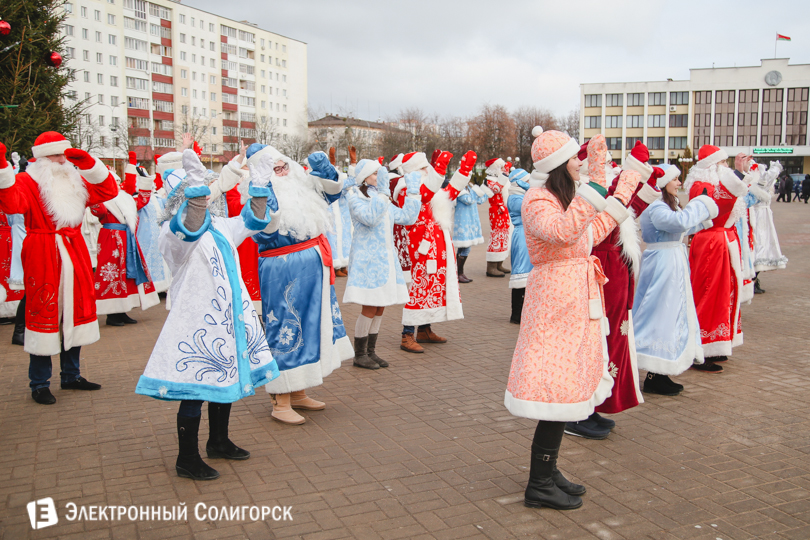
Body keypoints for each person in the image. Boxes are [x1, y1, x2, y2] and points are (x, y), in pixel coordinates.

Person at [505, 129, 641, 510]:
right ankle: (539, 482)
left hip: (574, 298)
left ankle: (547, 473)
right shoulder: (536, 200)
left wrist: (621, 193)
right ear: (558, 165)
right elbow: (563, 232)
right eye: (574, 157)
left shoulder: (561, 196)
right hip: (555, 302)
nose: (580, 161)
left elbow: (588, 232)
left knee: (568, 385)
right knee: (556, 387)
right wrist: (597, 184)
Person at [135, 148, 279, 481]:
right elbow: (189, 227)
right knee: (196, 388)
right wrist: (196, 193)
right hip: (196, 322)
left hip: (227, 320)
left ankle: (218, 441)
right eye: (198, 195)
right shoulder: (172, 234)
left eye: (206, 194)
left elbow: (253, 221)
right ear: (181, 200)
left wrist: (260, 185)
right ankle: (186, 457)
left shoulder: (221, 227)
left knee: (223, 379)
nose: (208, 198)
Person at [0, 132, 119, 404]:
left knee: (74, 311)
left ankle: (71, 375)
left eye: (64, 155)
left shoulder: (75, 180)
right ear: (42, 158)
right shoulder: (27, 181)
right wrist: (2, 171)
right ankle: (39, 383)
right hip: (43, 250)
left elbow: (109, 191)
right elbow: (11, 204)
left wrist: (89, 164)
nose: (62, 160)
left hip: (74, 250)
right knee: (44, 311)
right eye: (55, 155)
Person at [566, 141, 662, 439]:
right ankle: (578, 411)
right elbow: (608, 212)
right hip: (599, 267)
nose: (609, 161)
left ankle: (595, 404)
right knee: (595, 339)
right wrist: (633, 173)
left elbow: (628, 210)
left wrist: (638, 179)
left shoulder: (601, 185)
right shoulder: (582, 190)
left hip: (614, 266)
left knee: (612, 340)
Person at [252, 146, 353, 425]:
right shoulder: (257, 192)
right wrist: (262, 189)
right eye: (273, 167)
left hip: (313, 265)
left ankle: (297, 391)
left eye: (283, 163)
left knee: (309, 328)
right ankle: (279, 399)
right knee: (285, 328)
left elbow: (333, 192)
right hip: (282, 268)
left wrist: (323, 167)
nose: (281, 169)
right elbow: (264, 230)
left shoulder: (302, 184)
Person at [632, 164, 719, 395]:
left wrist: (700, 217)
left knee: (671, 315)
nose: (679, 184)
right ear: (663, 183)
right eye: (676, 179)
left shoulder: (666, 206)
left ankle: (661, 371)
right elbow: (678, 223)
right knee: (660, 314)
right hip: (663, 263)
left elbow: (683, 225)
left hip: (672, 261)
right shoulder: (656, 207)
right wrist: (702, 205)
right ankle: (653, 372)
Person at [342, 159, 421, 369]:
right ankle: (359, 354)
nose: (380, 177)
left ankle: (371, 351)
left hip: (385, 261)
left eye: (380, 174)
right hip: (367, 261)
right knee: (369, 306)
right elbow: (370, 217)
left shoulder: (381, 198)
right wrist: (385, 192)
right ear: (364, 177)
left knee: (380, 307)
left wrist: (413, 193)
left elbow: (406, 217)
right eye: (376, 174)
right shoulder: (355, 197)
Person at [397, 150, 477, 353]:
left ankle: (424, 329)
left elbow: (449, 193)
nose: (427, 169)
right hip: (421, 245)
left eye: (428, 167)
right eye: (423, 167)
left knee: (434, 285)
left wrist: (463, 171)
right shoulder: (407, 189)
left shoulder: (426, 186)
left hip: (437, 243)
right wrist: (439, 169)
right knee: (420, 285)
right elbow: (424, 195)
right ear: (414, 170)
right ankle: (407, 335)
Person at [684, 147, 751, 372]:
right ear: (711, 166)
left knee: (724, 293)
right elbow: (715, 208)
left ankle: (717, 343)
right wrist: (737, 178)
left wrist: (741, 174)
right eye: (722, 163)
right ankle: (702, 348)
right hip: (712, 243)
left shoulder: (713, 182)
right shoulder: (700, 186)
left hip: (722, 240)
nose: (726, 167)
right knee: (709, 293)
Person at [91, 159, 159, 325]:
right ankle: (112, 313)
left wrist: (145, 180)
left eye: (118, 181)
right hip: (110, 238)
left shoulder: (125, 198)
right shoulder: (103, 198)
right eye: (113, 181)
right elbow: (97, 211)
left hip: (127, 239)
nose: (117, 184)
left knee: (126, 274)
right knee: (112, 273)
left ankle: (122, 310)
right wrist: (95, 190)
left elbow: (141, 201)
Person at [748, 161, 787, 292]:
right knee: (760, 245)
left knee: (763, 246)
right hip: (759, 217)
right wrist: (775, 168)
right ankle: (751, 281)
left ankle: (753, 280)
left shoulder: (758, 183)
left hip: (763, 216)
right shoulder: (759, 182)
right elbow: (768, 177)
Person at [506, 168, 532, 323]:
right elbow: (529, 208)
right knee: (520, 274)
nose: (529, 183)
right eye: (526, 181)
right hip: (521, 236)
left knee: (527, 275)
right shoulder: (515, 198)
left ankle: (524, 311)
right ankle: (516, 314)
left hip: (526, 235)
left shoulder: (521, 195)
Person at [452, 178, 487, 284]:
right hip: (462, 222)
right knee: (465, 248)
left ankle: (459, 273)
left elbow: (480, 200)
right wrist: (476, 190)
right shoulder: (459, 189)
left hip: (470, 221)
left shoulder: (469, 187)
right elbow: (469, 200)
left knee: (463, 249)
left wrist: (485, 189)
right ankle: (458, 273)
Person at [483, 158, 512, 277]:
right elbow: (497, 189)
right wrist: (504, 175)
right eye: (500, 167)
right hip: (496, 211)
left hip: (503, 210)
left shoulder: (499, 179)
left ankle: (499, 262)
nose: (502, 170)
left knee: (504, 236)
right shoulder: (488, 180)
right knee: (497, 236)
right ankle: (491, 266)